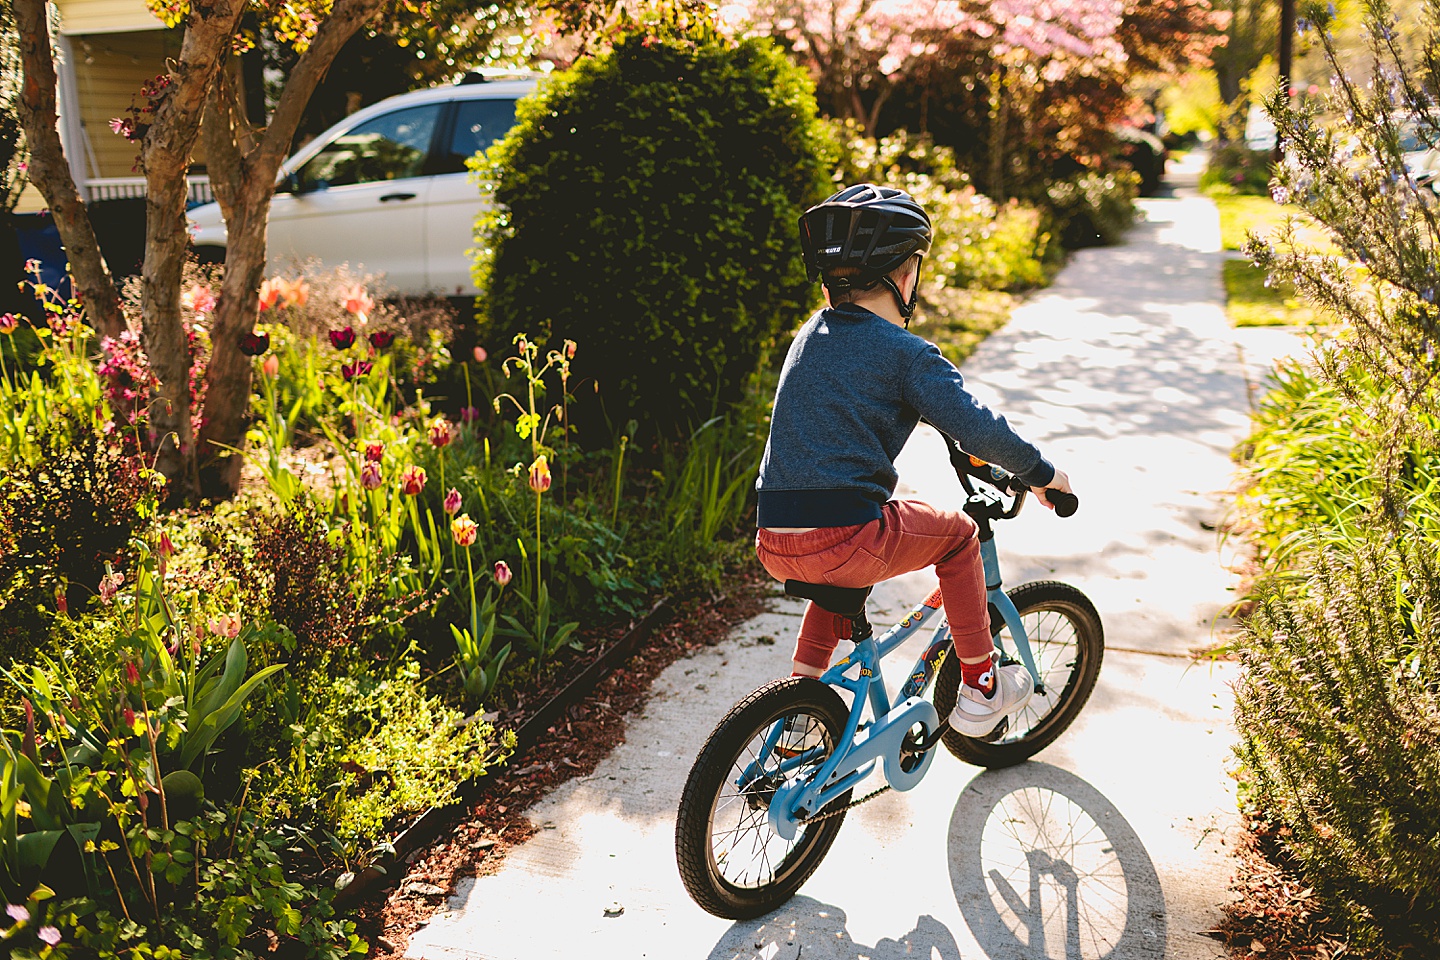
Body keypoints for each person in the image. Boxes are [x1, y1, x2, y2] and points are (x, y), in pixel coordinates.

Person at [754, 183, 1074, 737]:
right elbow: (976, 424)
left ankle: (799, 705)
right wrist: (1044, 474)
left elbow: (846, 404)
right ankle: (979, 687)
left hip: (774, 540)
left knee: (839, 570)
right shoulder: (908, 355)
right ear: (905, 277)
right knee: (958, 536)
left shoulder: (809, 334)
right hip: (844, 541)